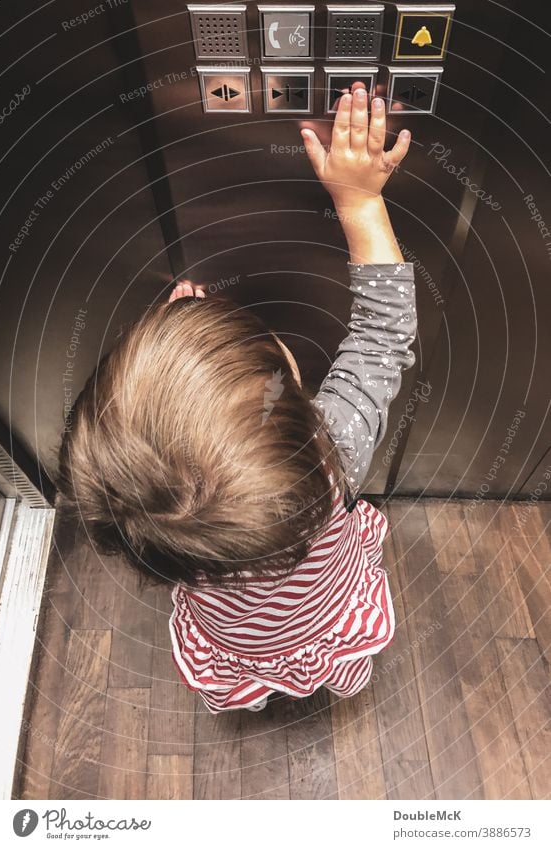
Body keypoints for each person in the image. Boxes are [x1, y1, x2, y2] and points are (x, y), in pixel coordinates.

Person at [57, 84, 416, 713]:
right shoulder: (332, 455)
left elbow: (150, 451)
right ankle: (329, 680)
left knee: (250, 677)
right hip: (325, 620)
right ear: (291, 377)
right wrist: (359, 200)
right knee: (336, 661)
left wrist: (179, 362)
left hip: (235, 645)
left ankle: (253, 695)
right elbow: (384, 332)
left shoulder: (150, 526)